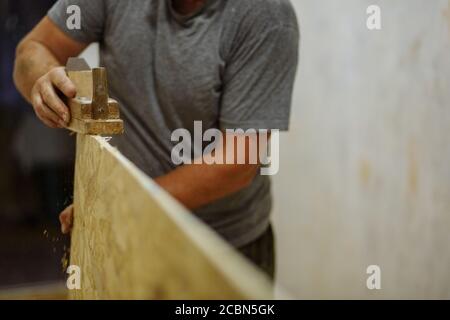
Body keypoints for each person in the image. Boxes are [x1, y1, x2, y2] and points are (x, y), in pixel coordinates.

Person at [13, 0, 299, 279]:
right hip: (125, 235)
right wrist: (44, 82)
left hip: (221, 247)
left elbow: (238, 162)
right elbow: (35, 49)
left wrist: (122, 206)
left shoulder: (266, 16)